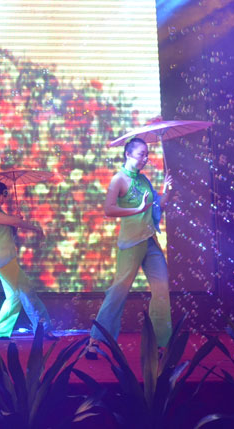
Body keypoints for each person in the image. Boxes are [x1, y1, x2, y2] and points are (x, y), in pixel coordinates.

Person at [87, 137, 172, 359]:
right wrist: (137, 209)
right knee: (118, 291)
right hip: (131, 243)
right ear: (128, 153)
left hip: (150, 241)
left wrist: (167, 190)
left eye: (147, 154)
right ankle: (94, 341)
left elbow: (158, 206)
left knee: (162, 289)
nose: (146, 158)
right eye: (142, 154)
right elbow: (109, 209)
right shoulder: (119, 179)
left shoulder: (144, 180)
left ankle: (158, 344)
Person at [0, 180, 56, 339]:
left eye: (3, 195)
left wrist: (15, 224)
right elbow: (14, 221)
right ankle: (43, 329)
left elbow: (11, 232)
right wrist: (35, 227)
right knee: (27, 291)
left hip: (6, 260)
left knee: (14, 297)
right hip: (4, 262)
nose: (1, 198)